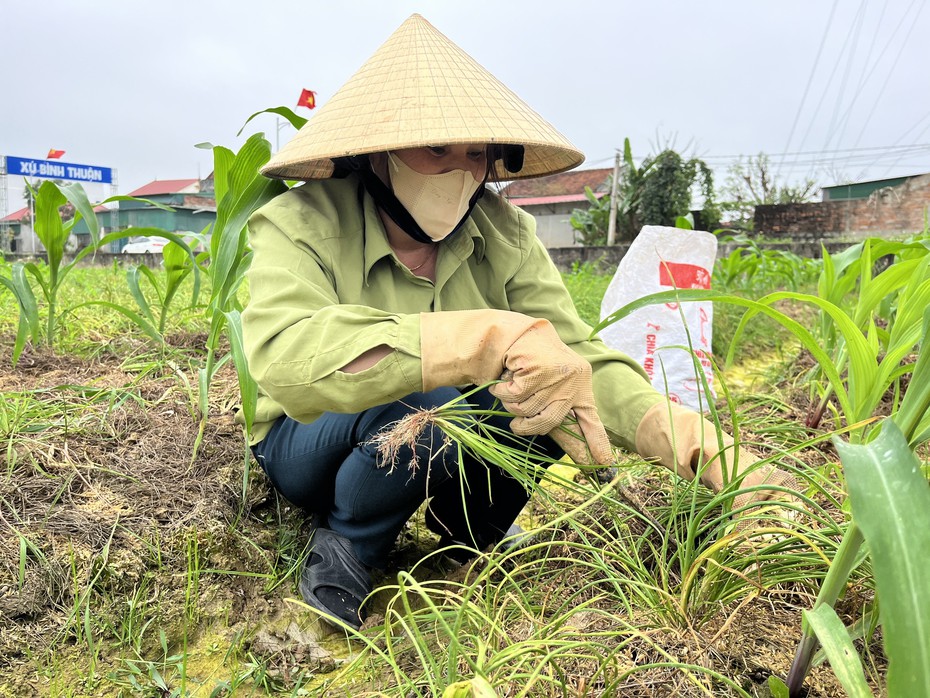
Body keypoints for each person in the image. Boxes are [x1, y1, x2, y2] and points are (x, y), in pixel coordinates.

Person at [242, 14, 798, 631]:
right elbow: (286, 360)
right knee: (435, 390)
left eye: (476, 152)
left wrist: (696, 444)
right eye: (435, 149)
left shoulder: (502, 233)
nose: (460, 170)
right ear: (376, 153)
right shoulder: (301, 223)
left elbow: (578, 353)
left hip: (429, 438)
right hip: (310, 439)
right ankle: (350, 544)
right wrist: (480, 341)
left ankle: (466, 540)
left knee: (548, 386)